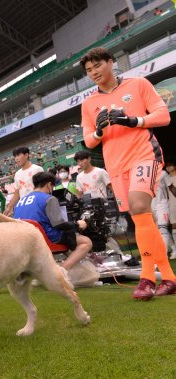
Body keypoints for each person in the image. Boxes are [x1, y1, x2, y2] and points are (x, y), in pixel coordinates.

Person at [80, 47, 176, 299]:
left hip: (144, 155)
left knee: (138, 206)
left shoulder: (139, 84)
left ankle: (146, 278)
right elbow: (89, 140)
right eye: (89, 71)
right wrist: (99, 131)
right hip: (116, 165)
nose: (93, 73)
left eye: (97, 66)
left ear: (110, 63)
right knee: (142, 217)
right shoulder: (89, 103)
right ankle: (169, 277)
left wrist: (133, 120)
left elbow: (163, 116)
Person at [13, 172, 92, 274]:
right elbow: (59, 224)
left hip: (25, 241)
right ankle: (62, 271)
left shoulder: (20, 202)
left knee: (69, 238)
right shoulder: (49, 198)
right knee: (86, 242)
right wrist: (77, 224)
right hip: (45, 239)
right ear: (49, 185)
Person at [4, 147, 44, 216]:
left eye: (18, 155)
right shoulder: (17, 174)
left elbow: (44, 189)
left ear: (26, 155)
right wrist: (9, 207)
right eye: (15, 156)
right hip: (24, 206)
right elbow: (17, 193)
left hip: (37, 205)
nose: (16, 158)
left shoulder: (37, 169)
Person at [152, 164, 176, 258]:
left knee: (162, 228)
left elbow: (171, 187)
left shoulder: (163, 173)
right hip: (151, 204)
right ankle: (173, 248)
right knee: (159, 230)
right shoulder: (144, 175)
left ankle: (163, 254)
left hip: (162, 204)